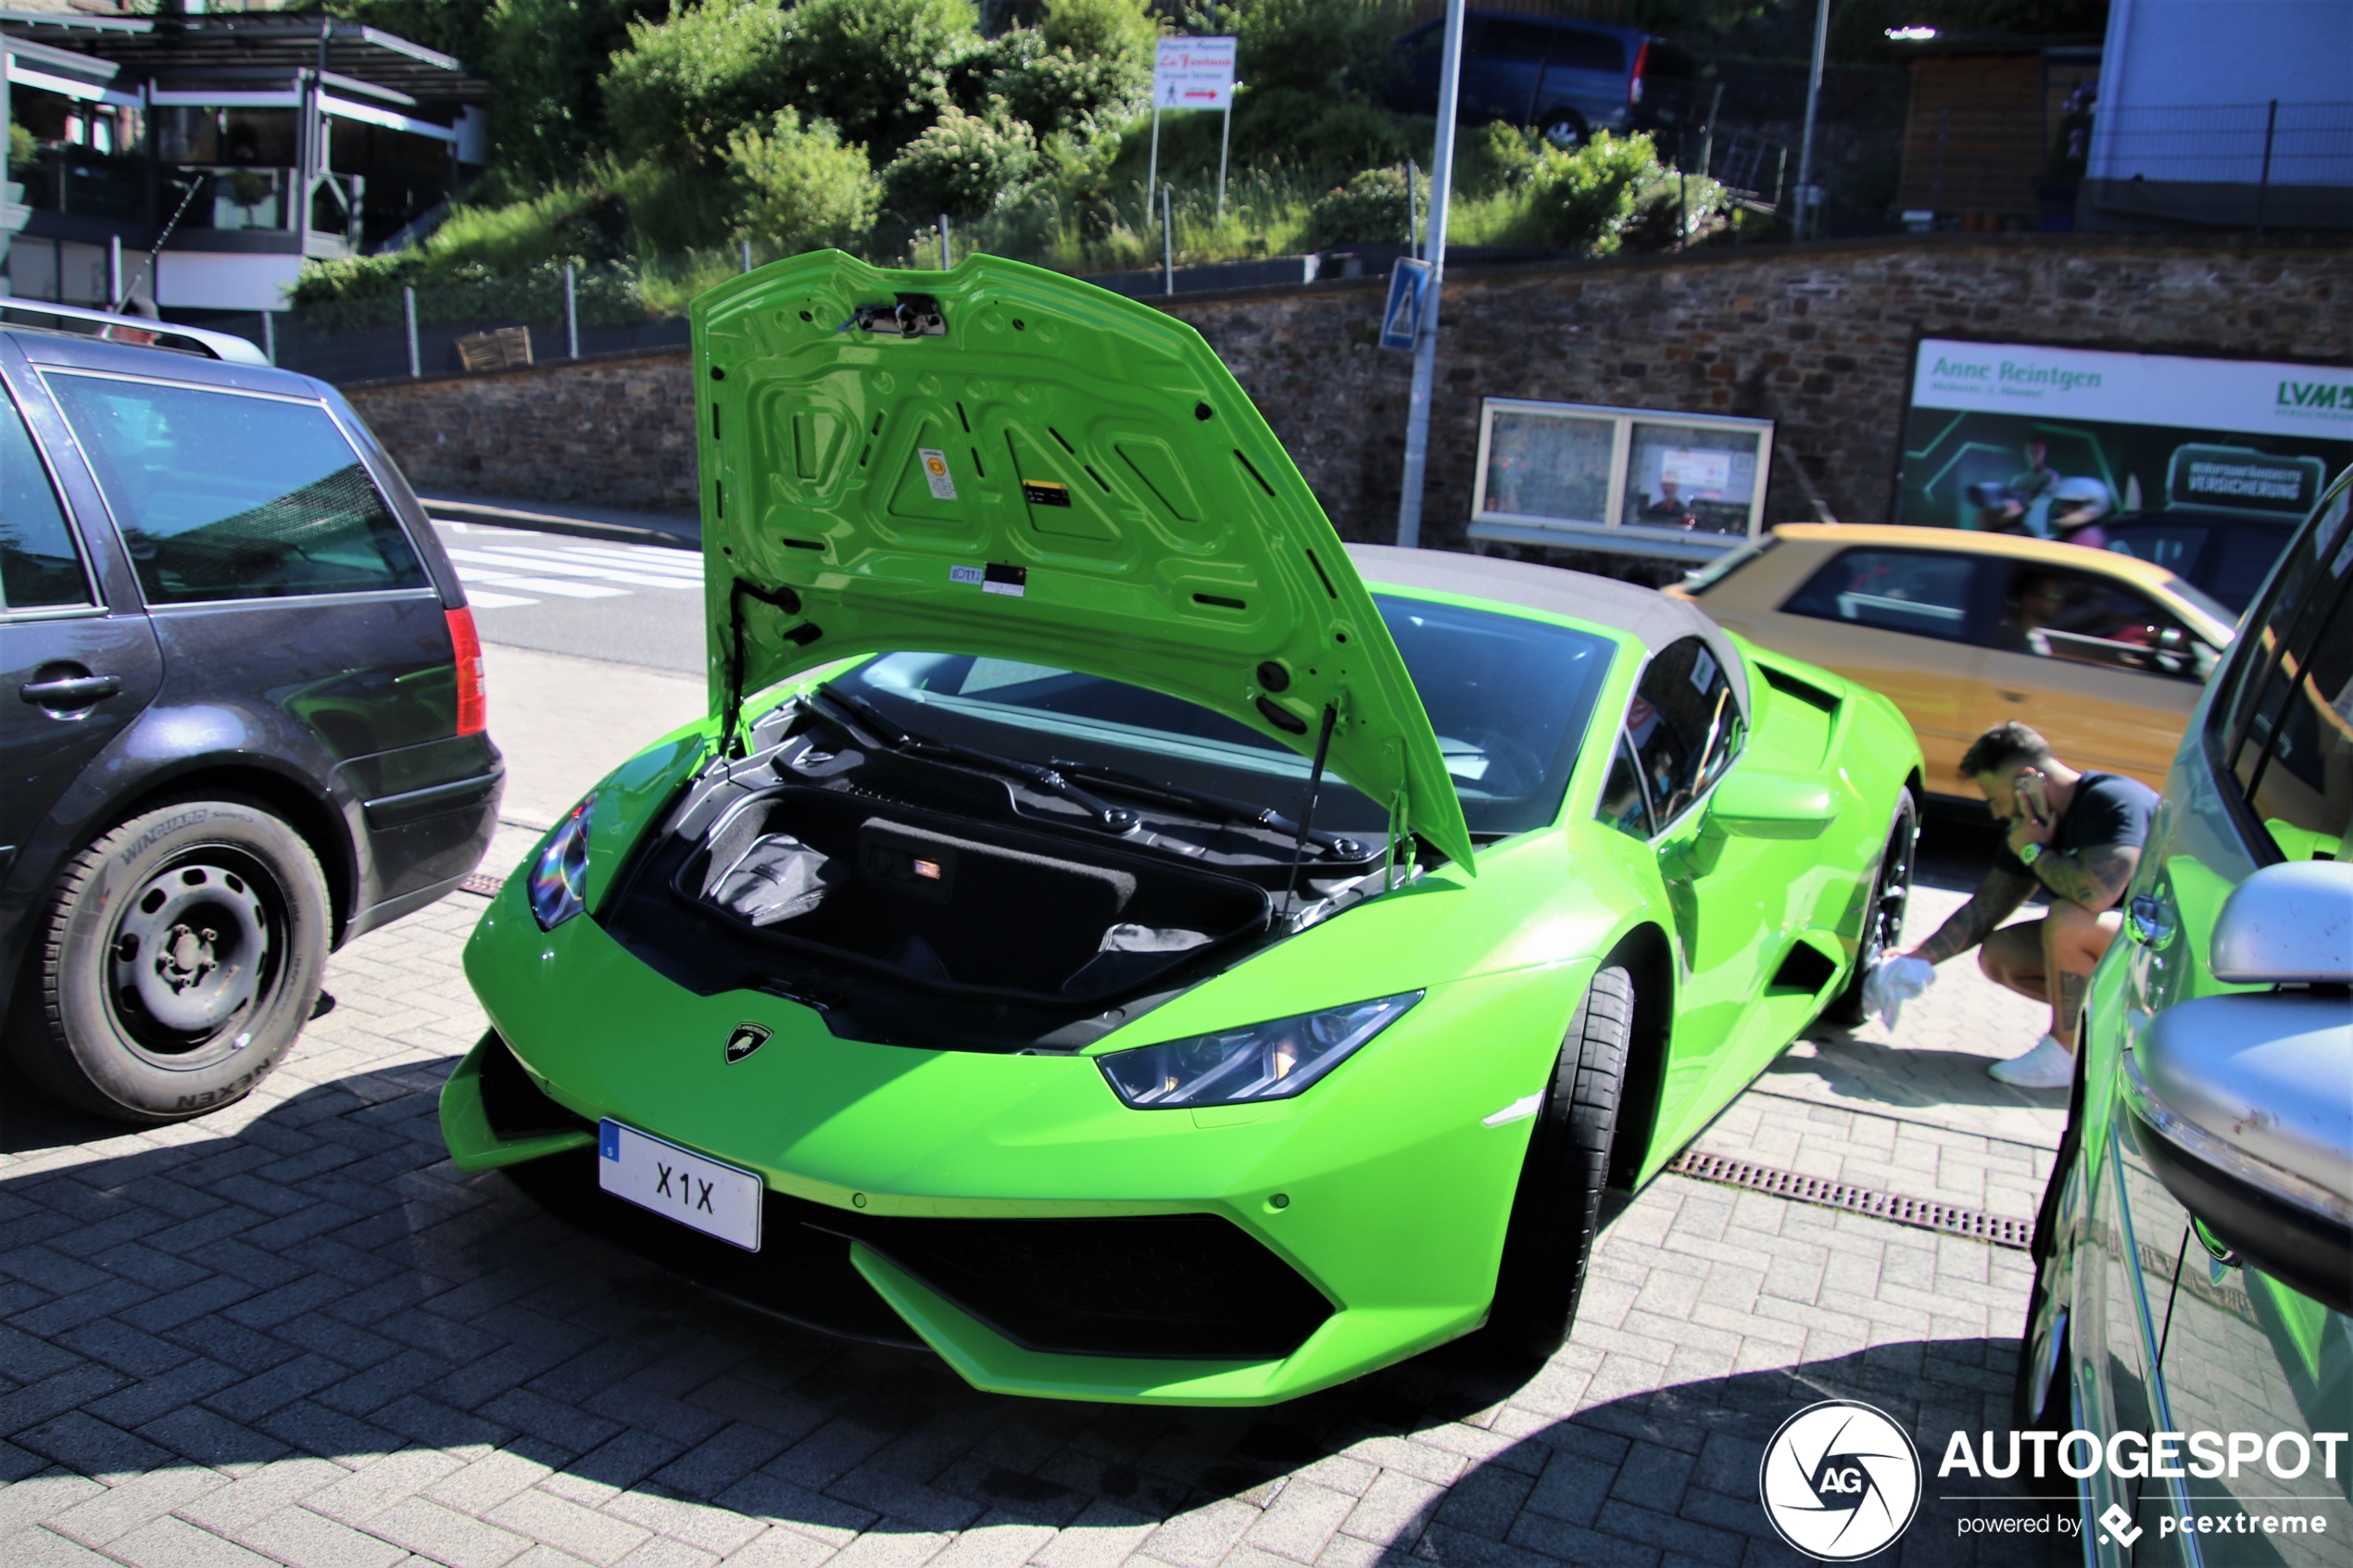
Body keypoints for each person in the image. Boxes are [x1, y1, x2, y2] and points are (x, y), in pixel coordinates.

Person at [1889, 721, 2158, 1087]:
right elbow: (1985, 909)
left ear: (2027, 780)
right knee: (2001, 954)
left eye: (1996, 799)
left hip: (2173, 955)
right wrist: (1916, 958)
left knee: (2068, 919)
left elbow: (2096, 895)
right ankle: (2119, 1028)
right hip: (2131, 947)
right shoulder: (2032, 825)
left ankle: (2067, 1052)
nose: (1997, 814)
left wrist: (2035, 850)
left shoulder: (2112, 800)